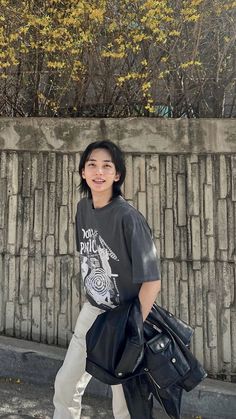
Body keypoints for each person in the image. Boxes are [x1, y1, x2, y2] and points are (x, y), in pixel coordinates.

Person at [53, 140, 161, 419]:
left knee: (123, 403)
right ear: (82, 173)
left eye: (106, 166)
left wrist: (132, 329)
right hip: (91, 313)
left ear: (117, 175)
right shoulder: (82, 209)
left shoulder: (129, 218)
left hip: (123, 319)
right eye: (92, 165)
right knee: (66, 384)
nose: (98, 172)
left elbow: (152, 281)